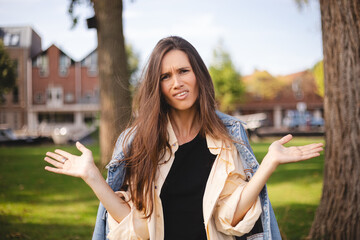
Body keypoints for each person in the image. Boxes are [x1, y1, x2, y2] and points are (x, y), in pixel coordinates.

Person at [44, 36, 323, 240]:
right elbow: (134, 225)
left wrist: (268, 165)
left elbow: (230, 219)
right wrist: (92, 176)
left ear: (198, 75)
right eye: (166, 76)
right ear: (158, 86)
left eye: (183, 71)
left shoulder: (227, 137)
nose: (176, 82)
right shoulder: (139, 141)